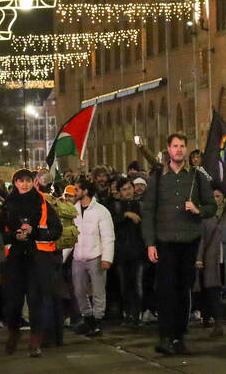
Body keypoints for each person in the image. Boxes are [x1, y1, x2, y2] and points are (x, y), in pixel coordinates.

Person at [141, 133, 216, 356]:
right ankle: (166, 335)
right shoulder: (158, 177)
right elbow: (148, 212)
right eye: (175, 146)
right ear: (168, 149)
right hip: (165, 242)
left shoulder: (196, 177)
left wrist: (198, 210)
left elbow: (211, 206)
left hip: (189, 241)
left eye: (182, 146)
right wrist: (150, 243)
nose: (179, 150)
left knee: (183, 289)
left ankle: (179, 335)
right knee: (166, 290)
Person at [0, 169, 62, 357]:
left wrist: (33, 232)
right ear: (15, 183)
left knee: (36, 301)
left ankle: (36, 340)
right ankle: (14, 332)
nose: (24, 184)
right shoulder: (8, 205)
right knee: (12, 301)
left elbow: (56, 230)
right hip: (15, 259)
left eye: (27, 180)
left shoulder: (43, 203)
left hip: (38, 259)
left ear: (33, 182)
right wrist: (14, 235)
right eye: (20, 181)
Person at [70, 178, 114, 337]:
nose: (74, 193)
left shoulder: (101, 211)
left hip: (96, 256)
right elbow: (70, 236)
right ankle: (87, 317)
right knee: (79, 289)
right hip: (78, 256)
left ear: (85, 191)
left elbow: (108, 236)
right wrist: (62, 256)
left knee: (98, 291)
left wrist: (107, 257)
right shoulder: (73, 210)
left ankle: (97, 320)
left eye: (76, 190)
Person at [108, 179, 145, 325]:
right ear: (119, 192)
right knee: (124, 285)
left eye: (129, 188)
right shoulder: (115, 208)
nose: (128, 191)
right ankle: (128, 313)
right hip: (121, 253)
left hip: (138, 252)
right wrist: (125, 215)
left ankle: (136, 314)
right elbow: (110, 224)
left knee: (137, 284)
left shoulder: (141, 206)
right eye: (124, 189)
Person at [194, 188, 226, 337]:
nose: (215, 199)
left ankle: (215, 321)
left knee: (212, 291)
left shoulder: (219, 215)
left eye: (218, 196)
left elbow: (201, 239)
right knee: (210, 290)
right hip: (212, 259)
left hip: (220, 259)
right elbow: (202, 239)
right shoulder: (209, 216)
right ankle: (210, 319)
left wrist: (199, 258)